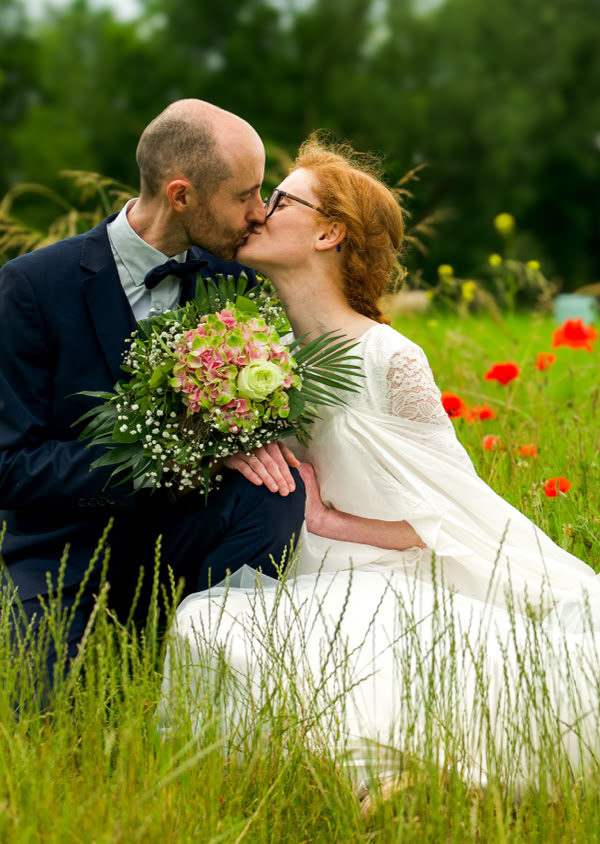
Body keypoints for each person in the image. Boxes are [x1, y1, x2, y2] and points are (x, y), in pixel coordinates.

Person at [163, 134, 600, 793]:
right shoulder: (261, 351)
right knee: (205, 622)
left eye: (279, 199)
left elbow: (449, 518)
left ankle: (401, 785)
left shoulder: (389, 360)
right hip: (299, 565)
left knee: (360, 640)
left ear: (327, 234)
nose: (259, 212)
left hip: (386, 570)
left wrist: (328, 520)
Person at [0, 99, 305, 685]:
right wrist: (169, 460)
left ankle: (208, 652)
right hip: (61, 556)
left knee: (274, 494)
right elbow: (9, 466)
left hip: (181, 541)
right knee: (58, 722)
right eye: (245, 194)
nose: (259, 214)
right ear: (182, 194)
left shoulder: (236, 281)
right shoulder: (32, 286)